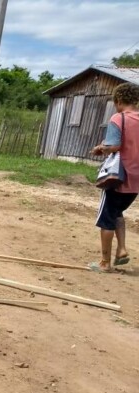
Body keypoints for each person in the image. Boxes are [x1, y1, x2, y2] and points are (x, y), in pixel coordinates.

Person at [90, 82, 139, 272]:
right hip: (136, 181)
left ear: (118, 101)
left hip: (118, 178)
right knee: (117, 212)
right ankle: (121, 250)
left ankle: (104, 263)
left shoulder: (119, 118)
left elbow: (114, 146)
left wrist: (100, 148)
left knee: (107, 218)